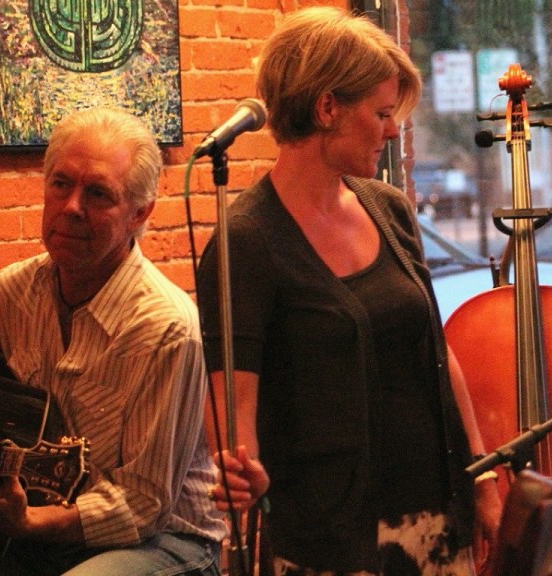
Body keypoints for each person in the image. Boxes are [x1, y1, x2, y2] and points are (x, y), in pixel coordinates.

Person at [195, 6, 501, 575]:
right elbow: (234, 403)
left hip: (437, 516)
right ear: (327, 107)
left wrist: (482, 478)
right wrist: (245, 473)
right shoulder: (248, 240)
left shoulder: (389, 208)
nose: (393, 130)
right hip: (330, 540)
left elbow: (437, 352)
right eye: (382, 113)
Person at [0, 108, 228, 575]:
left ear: (139, 213)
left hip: (166, 541)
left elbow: (143, 504)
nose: (71, 207)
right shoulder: (18, 291)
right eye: (60, 184)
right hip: (46, 524)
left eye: (97, 194)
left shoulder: (166, 329)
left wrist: (28, 522)